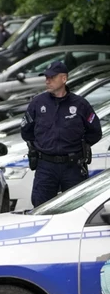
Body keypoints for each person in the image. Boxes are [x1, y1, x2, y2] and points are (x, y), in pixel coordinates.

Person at [21, 61, 102, 207]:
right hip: (46, 166)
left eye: (51, 77)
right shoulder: (38, 103)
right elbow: (26, 131)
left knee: (77, 208)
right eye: (46, 77)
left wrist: (79, 146)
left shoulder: (80, 104)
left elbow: (95, 132)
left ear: (63, 79)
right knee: (41, 207)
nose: (47, 81)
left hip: (73, 166)